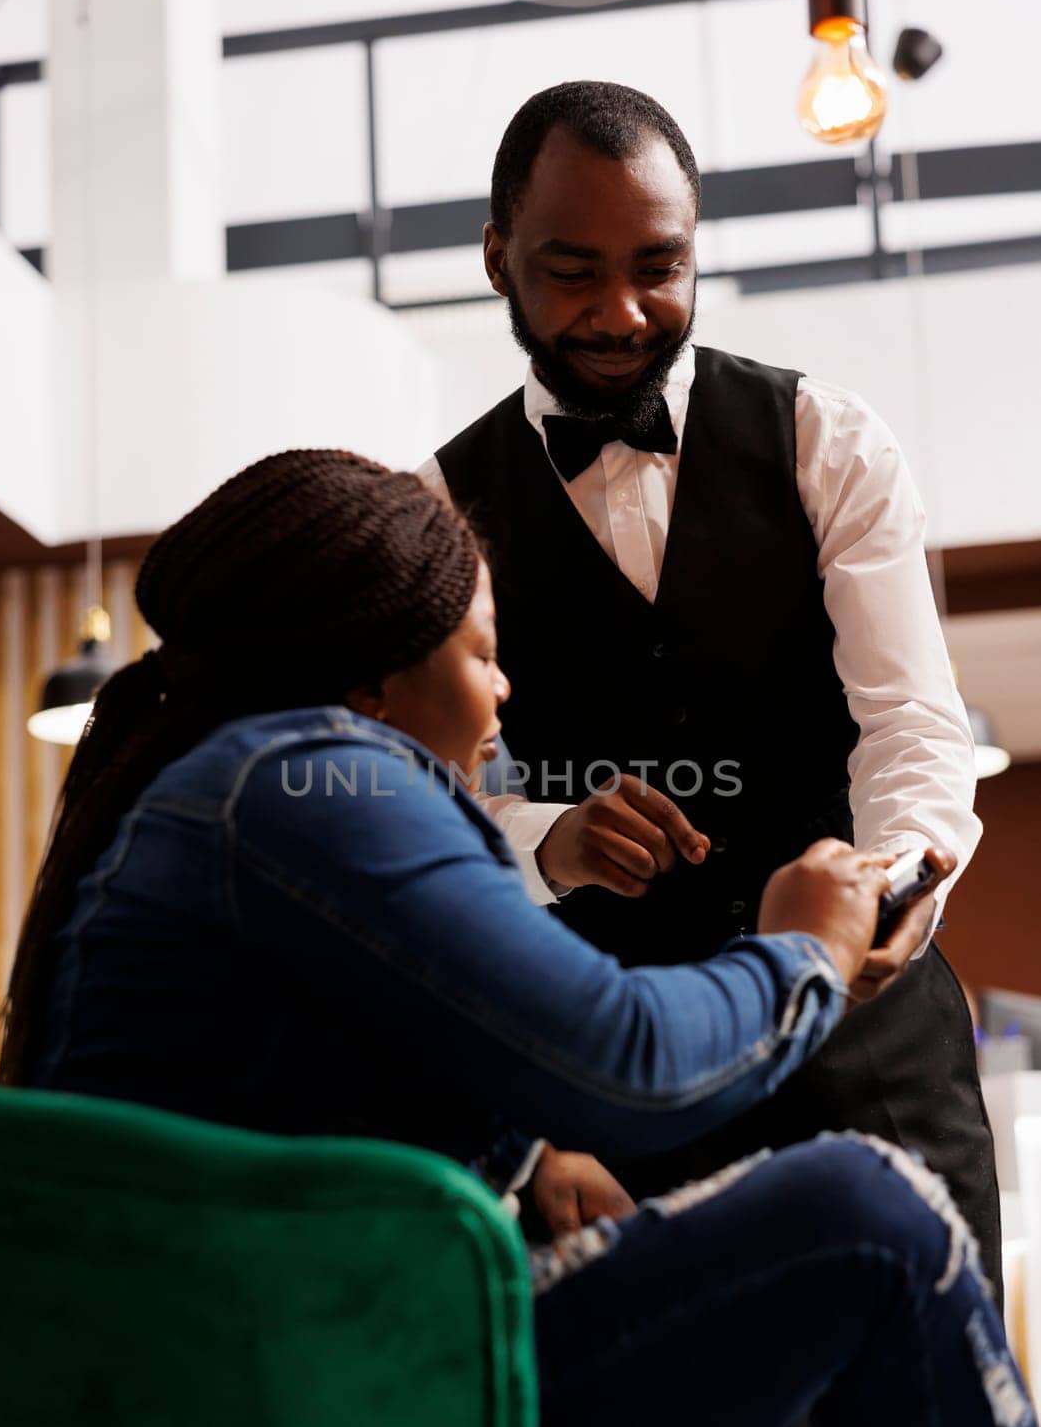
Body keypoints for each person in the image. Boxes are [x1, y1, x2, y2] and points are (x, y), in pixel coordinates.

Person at [0, 450, 1040, 1427]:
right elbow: (629, 1057)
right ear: (372, 678)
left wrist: (530, 1150)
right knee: (864, 1208)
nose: (503, 694)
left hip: (279, 1406)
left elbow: (319, 1056)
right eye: (484, 653)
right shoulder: (308, 776)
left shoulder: (237, 791)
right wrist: (801, 949)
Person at [417, 79, 1002, 1295]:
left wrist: (878, 894)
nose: (622, 312)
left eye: (659, 266)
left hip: (870, 1041)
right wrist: (544, 835)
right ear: (495, 258)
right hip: (618, 1066)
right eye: (573, 270)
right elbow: (427, 801)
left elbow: (907, 723)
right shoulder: (436, 512)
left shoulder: (825, 443)